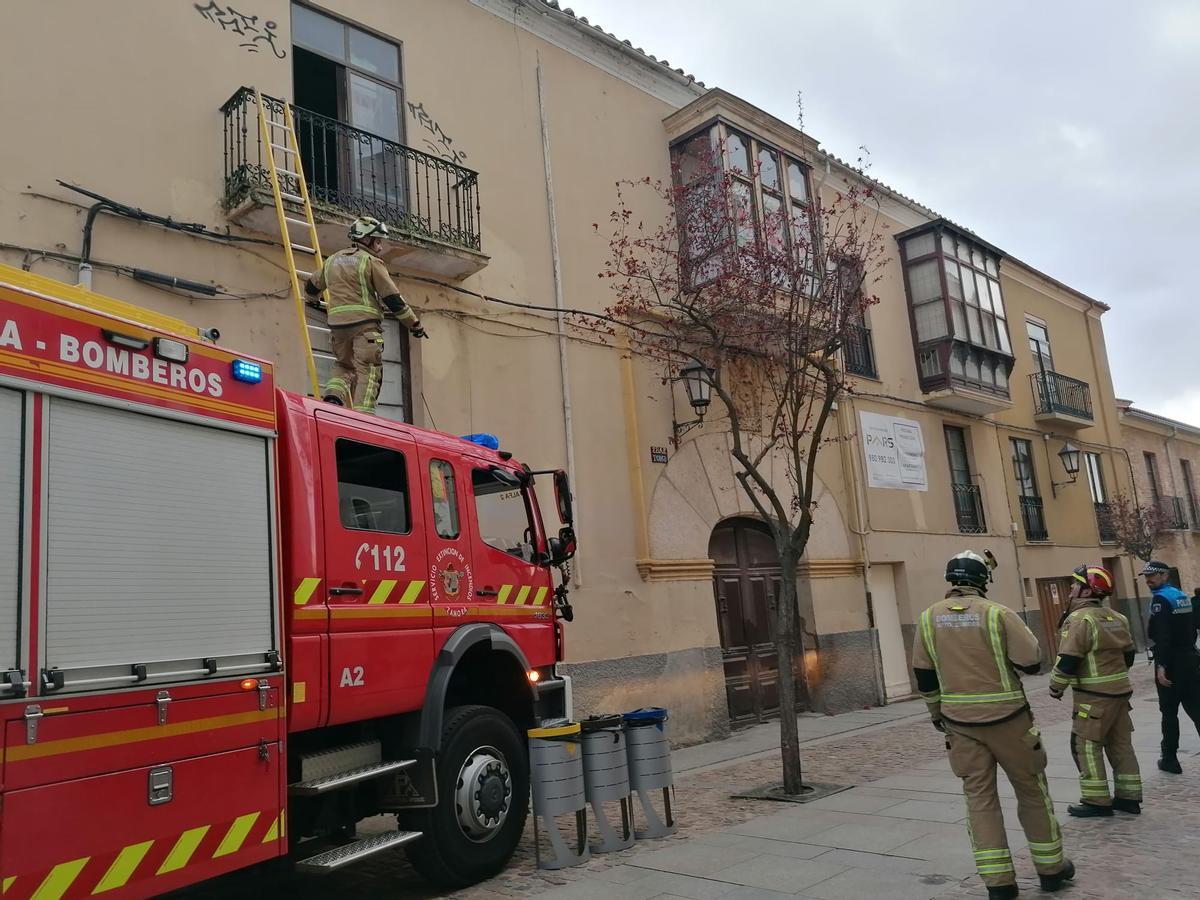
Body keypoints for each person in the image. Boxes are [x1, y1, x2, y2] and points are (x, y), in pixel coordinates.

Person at [912, 550, 1073, 900]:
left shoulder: (927, 619)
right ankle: (1051, 869)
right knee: (1032, 791)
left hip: (960, 724)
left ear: (951, 580)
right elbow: (1031, 661)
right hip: (1010, 721)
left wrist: (936, 713)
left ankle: (998, 883)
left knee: (979, 800)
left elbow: (924, 674)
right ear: (983, 580)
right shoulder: (999, 614)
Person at [305, 216, 427, 414]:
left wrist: (312, 300)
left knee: (343, 365)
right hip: (365, 328)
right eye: (377, 241)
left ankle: (333, 397)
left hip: (338, 328)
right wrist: (414, 324)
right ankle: (364, 415)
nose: (380, 247)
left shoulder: (333, 260)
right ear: (366, 239)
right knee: (369, 371)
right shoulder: (371, 262)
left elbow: (311, 286)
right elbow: (393, 299)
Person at [1048, 565, 1140, 817]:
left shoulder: (1079, 620)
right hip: (1120, 694)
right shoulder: (1117, 617)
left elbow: (1068, 659)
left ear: (1087, 590)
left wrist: (1055, 687)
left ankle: (1096, 801)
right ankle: (1129, 798)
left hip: (1094, 696)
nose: (1070, 590)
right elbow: (1129, 655)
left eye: (1075, 585)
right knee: (1121, 745)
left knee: (1085, 745)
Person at [1141, 560, 1200, 773]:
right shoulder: (1181, 596)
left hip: (1172, 660)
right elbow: (1192, 627)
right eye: (1146, 576)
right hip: (1190, 657)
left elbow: (1163, 636)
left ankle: (1169, 758)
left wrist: (1162, 666)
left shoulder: (1160, 599)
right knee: (1196, 708)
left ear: (1164, 576)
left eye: (1153, 575)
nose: (1148, 580)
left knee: (1168, 712)